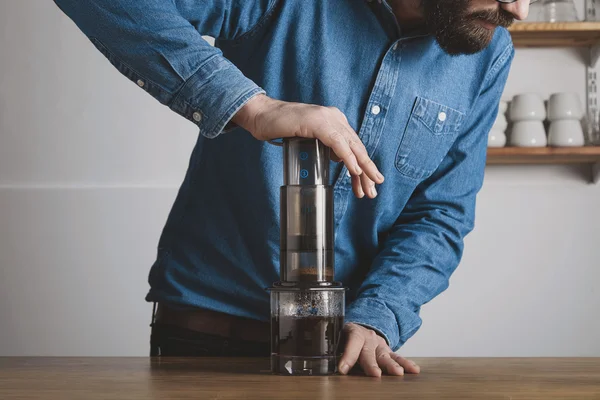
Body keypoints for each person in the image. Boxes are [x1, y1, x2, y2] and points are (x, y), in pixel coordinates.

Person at [52, 0, 530, 377]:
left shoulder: (489, 53)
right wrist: (252, 107)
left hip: (344, 351)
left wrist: (379, 314)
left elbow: (440, 212)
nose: (519, 10)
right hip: (207, 334)